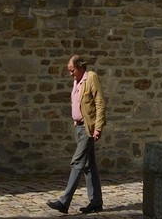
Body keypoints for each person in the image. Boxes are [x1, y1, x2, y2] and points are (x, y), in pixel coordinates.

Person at [47, 55, 105, 215]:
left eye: (72, 70)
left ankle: (64, 202)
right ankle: (96, 201)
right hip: (78, 127)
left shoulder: (91, 77)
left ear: (80, 67)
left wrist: (98, 127)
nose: (70, 74)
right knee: (88, 165)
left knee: (77, 162)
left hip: (88, 128)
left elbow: (100, 103)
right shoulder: (77, 81)